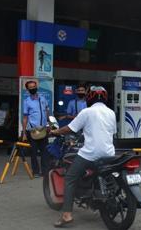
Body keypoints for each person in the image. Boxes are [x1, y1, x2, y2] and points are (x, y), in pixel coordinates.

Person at [50, 86, 116, 228]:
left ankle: (67, 215)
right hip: (109, 153)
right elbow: (109, 131)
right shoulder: (111, 113)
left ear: (89, 98)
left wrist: (56, 132)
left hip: (91, 154)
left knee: (70, 178)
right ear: (105, 98)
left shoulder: (87, 111)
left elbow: (70, 128)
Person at [21, 80, 51, 177]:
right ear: (28, 89)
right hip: (32, 130)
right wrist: (24, 132)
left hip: (43, 129)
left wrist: (49, 123)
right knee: (33, 152)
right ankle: (36, 172)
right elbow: (25, 117)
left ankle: (45, 171)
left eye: (34, 86)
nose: (33, 88)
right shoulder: (27, 101)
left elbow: (46, 110)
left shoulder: (42, 98)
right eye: (31, 87)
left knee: (45, 152)